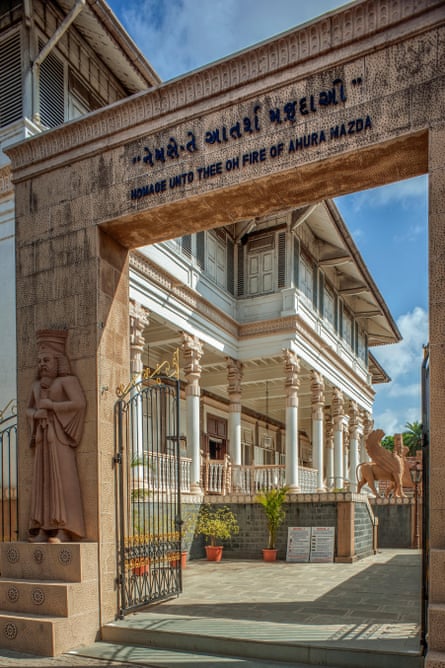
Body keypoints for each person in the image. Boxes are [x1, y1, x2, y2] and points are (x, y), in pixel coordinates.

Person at [27, 330, 86, 543]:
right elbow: (28, 410)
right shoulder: (36, 386)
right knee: (42, 484)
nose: (43, 363)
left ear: (58, 360)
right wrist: (35, 414)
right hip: (42, 440)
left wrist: (52, 406)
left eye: (47, 359)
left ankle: (64, 528)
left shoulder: (67, 381)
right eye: (40, 360)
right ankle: (43, 528)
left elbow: (79, 404)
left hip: (59, 439)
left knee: (63, 482)